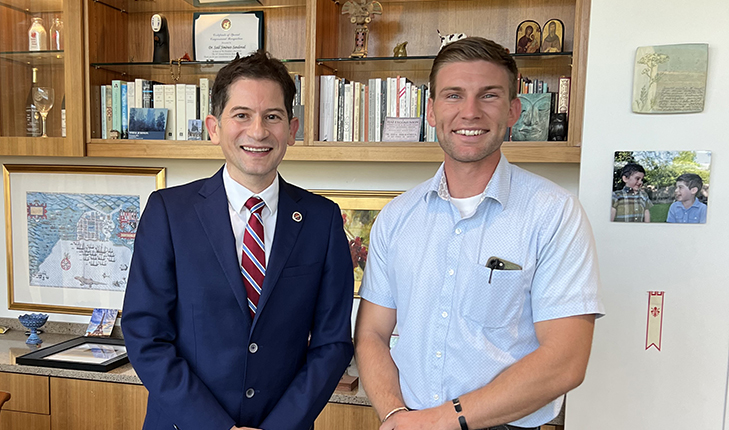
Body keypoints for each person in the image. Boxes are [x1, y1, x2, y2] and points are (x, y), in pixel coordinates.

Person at [354, 37, 603, 430]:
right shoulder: (397, 217)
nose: (469, 112)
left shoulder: (554, 214)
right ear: (432, 111)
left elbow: (565, 361)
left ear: (513, 111)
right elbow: (371, 333)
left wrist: (439, 421)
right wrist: (396, 415)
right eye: (453, 96)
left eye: (488, 96)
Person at [121, 50, 354, 430]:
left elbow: (332, 345)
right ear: (214, 127)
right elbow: (146, 336)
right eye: (241, 115)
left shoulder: (322, 220)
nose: (258, 131)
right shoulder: (168, 212)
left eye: (272, 117)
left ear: (292, 129)